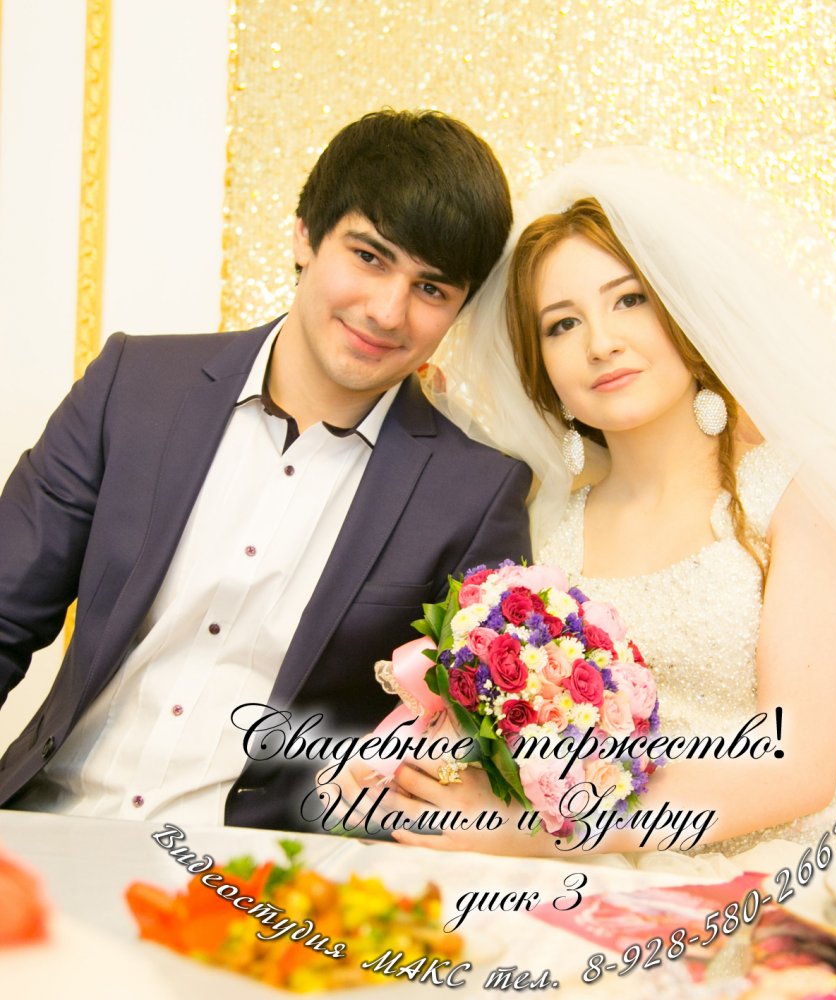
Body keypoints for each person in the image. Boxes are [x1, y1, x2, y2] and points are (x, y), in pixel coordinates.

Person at [366, 149, 836, 866]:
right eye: (562, 325)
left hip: (775, 866)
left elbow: (797, 767)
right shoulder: (549, 527)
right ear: (542, 370)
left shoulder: (799, 492)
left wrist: (537, 829)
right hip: (598, 867)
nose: (602, 343)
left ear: (686, 316)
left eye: (629, 300)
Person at [0, 109, 532, 832]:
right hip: (49, 828)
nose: (387, 311)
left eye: (431, 289)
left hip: (262, 875)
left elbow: (469, 744)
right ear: (305, 236)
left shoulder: (474, 496)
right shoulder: (134, 385)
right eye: (369, 257)